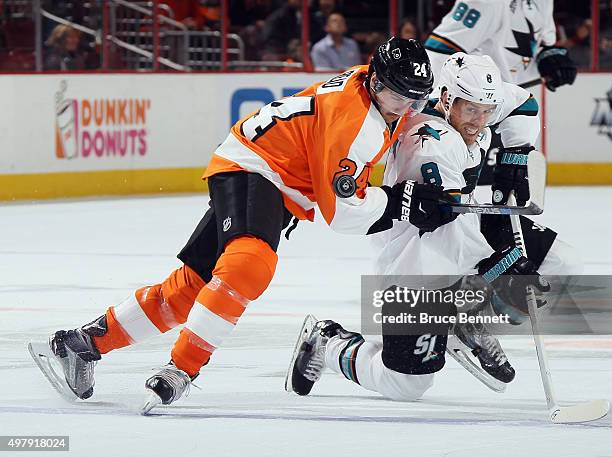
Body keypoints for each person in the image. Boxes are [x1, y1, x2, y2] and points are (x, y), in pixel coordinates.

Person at [29, 38, 459, 414]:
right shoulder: (355, 125)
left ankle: (81, 344)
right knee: (251, 262)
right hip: (258, 168)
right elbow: (343, 214)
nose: (402, 108)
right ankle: (183, 368)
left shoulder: (369, 84)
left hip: (262, 167)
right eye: (395, 97)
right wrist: (406, 202)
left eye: (412, 100)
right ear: (375, 84)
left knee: (190, 288)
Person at [286, 53, 580, 402]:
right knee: (405, 385)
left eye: (487, 111)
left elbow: (524, 103)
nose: (479, 122)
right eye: (470, 111)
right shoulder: (429, 144)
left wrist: (513, 157)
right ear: (445, 99)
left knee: (562, 263)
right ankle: (329, 341)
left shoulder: (475, 105)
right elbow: (446, 226)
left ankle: (464, 318)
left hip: (466, 223)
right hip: (416, 258)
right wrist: (497, 267)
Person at [424, 0, 577, 91]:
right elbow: (438, 51)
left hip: (508, 103)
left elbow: (543, 44)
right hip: (475, 113)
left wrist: (549, 57)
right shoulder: (488, 3)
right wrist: (435, 104)